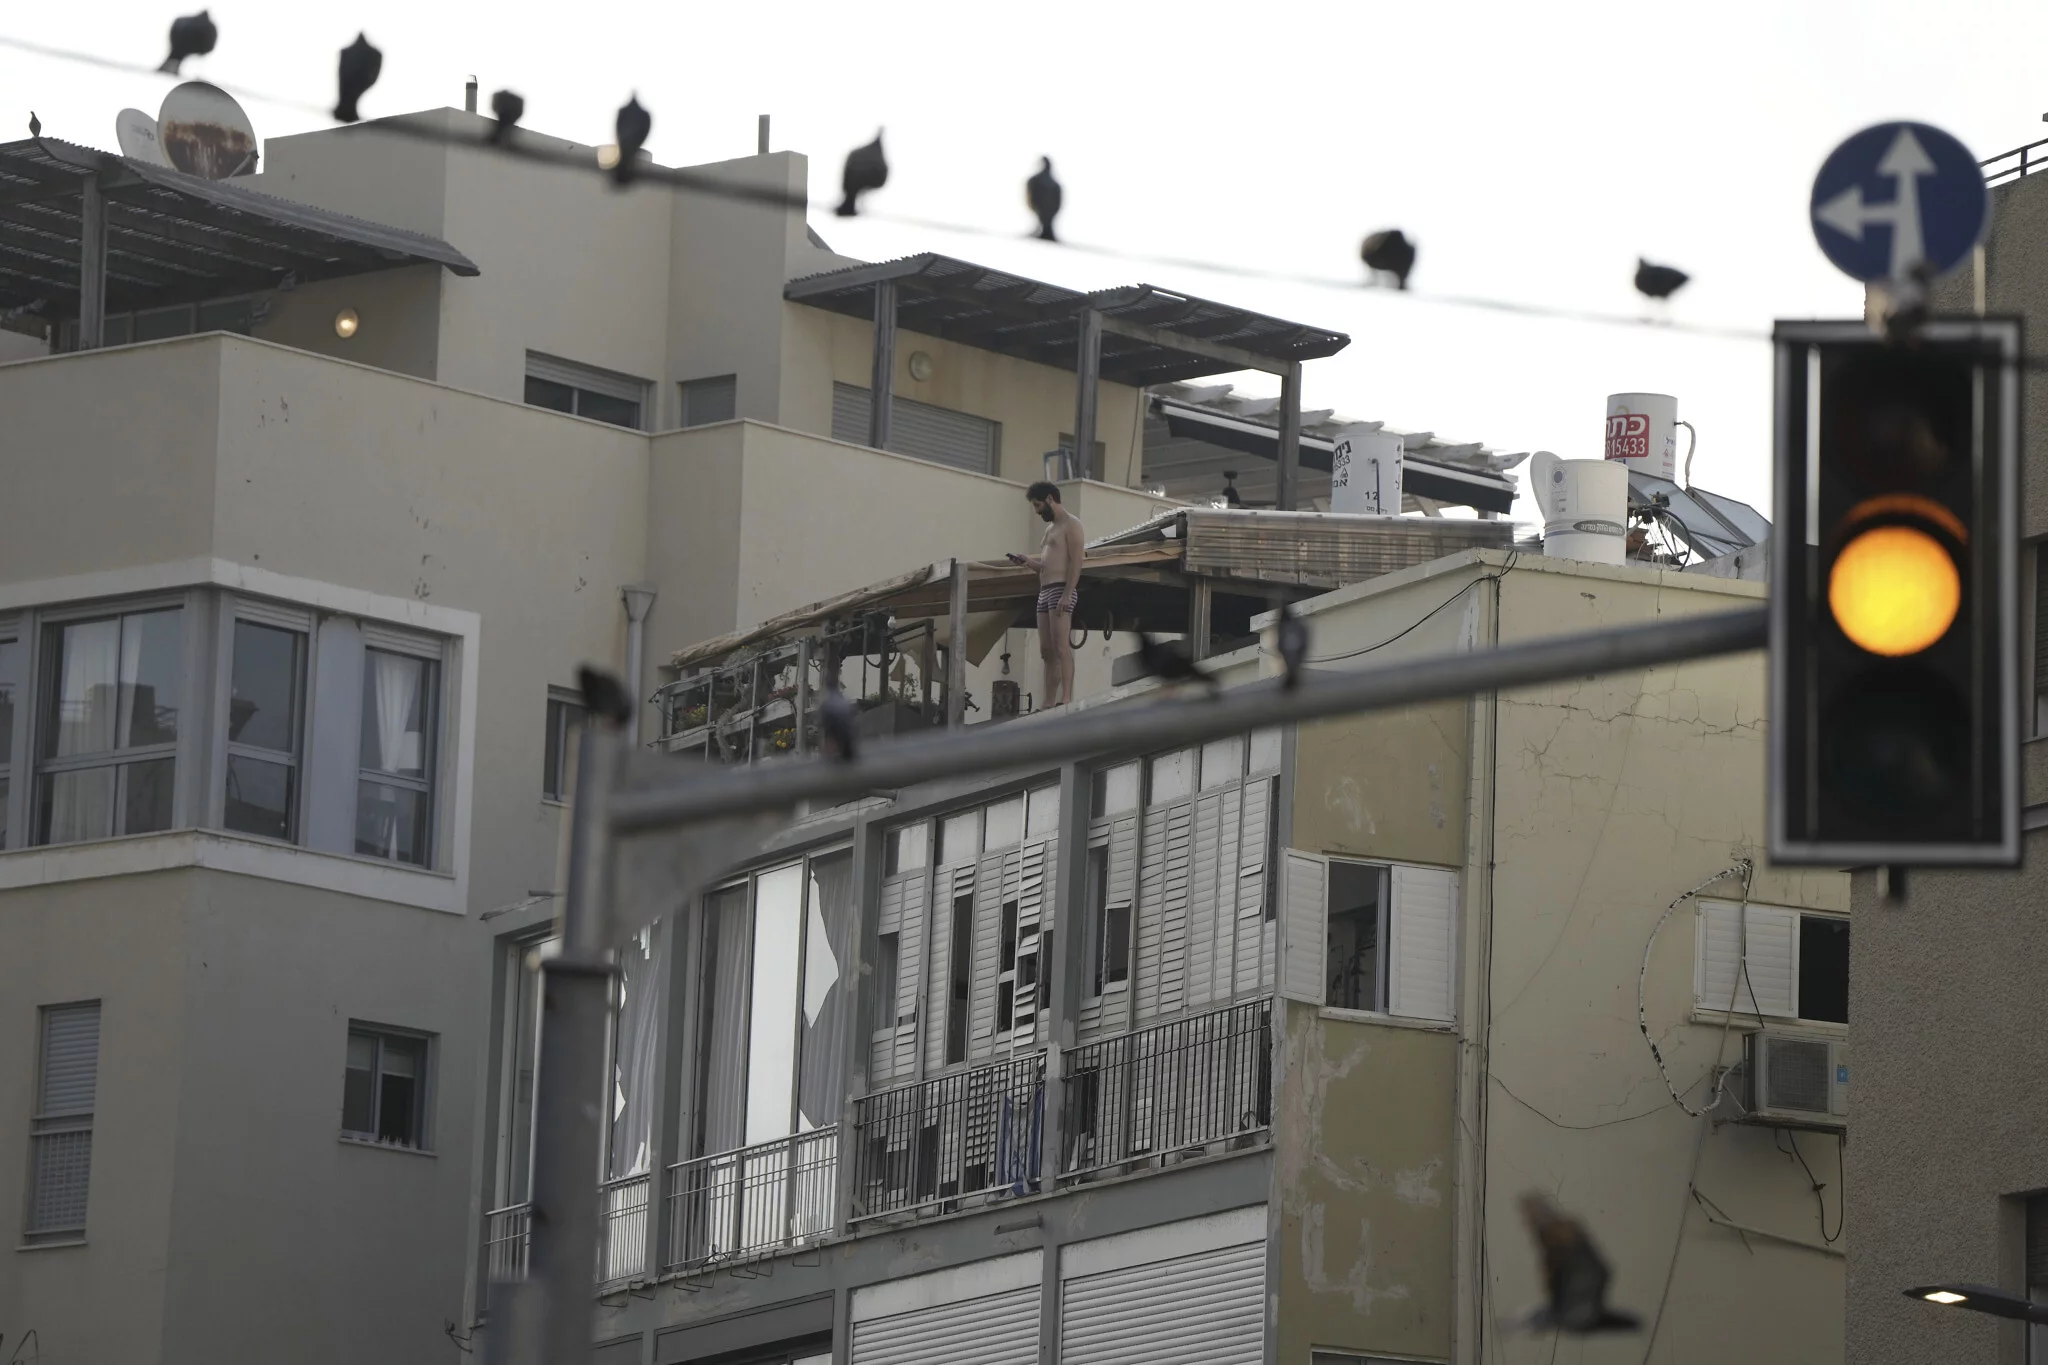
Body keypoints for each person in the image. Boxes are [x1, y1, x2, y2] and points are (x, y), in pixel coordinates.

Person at [1016, 481, 1084, 708]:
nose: (1036, 511)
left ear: (1049, 499)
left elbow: (1076, 561)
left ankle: (1066, 698)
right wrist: (1027, 562)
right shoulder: (1049, 529)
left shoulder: (1072, 524)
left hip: (1061, 588)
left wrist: (1068, 593)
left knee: (1061, 647)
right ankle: (1048, 700)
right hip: (1044, 590)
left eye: (1037, 505)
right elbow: (1045, 566)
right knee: (1046, 650)